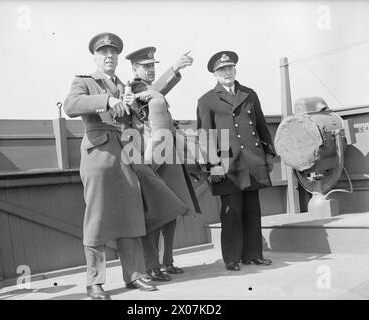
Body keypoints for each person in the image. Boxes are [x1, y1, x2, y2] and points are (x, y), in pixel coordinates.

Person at [63, 32, 187, 299]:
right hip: (98, 155)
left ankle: (135, 275)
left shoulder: (125, 86)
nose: (109, 56)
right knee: (97, 218)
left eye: (113, 52)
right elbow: (71, 106)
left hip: (127, 152)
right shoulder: (84, 81)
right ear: (95, 57)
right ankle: (94, 282)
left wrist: (130, 106)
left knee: (132, 213)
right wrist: (106, 101)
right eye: (103, 52)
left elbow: (151, 103)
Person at [125, 47, 201, 281]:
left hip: (169, 159)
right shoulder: (134, 88)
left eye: (152, 66)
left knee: (171, 215)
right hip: (153, 159)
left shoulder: (148, 90)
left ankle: (166, 261)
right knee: (156, 216)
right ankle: (152, 266)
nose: (150, 70)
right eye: (146, 66)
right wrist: (174, 69)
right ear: (134, 68)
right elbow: (154, 94)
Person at [196, 51, 275, 271]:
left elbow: (261, 126)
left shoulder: (249, 94)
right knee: (231, 213)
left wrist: (269, 154)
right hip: (226, 166)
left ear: (235, 69)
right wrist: (213, 166)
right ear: (215, 74)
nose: (227, 72)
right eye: (222, 70)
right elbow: (205, 135)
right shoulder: (207, 100)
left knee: (252, 209)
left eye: (229, 68)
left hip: (252, 161)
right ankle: (231, 258)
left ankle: (253, 254)